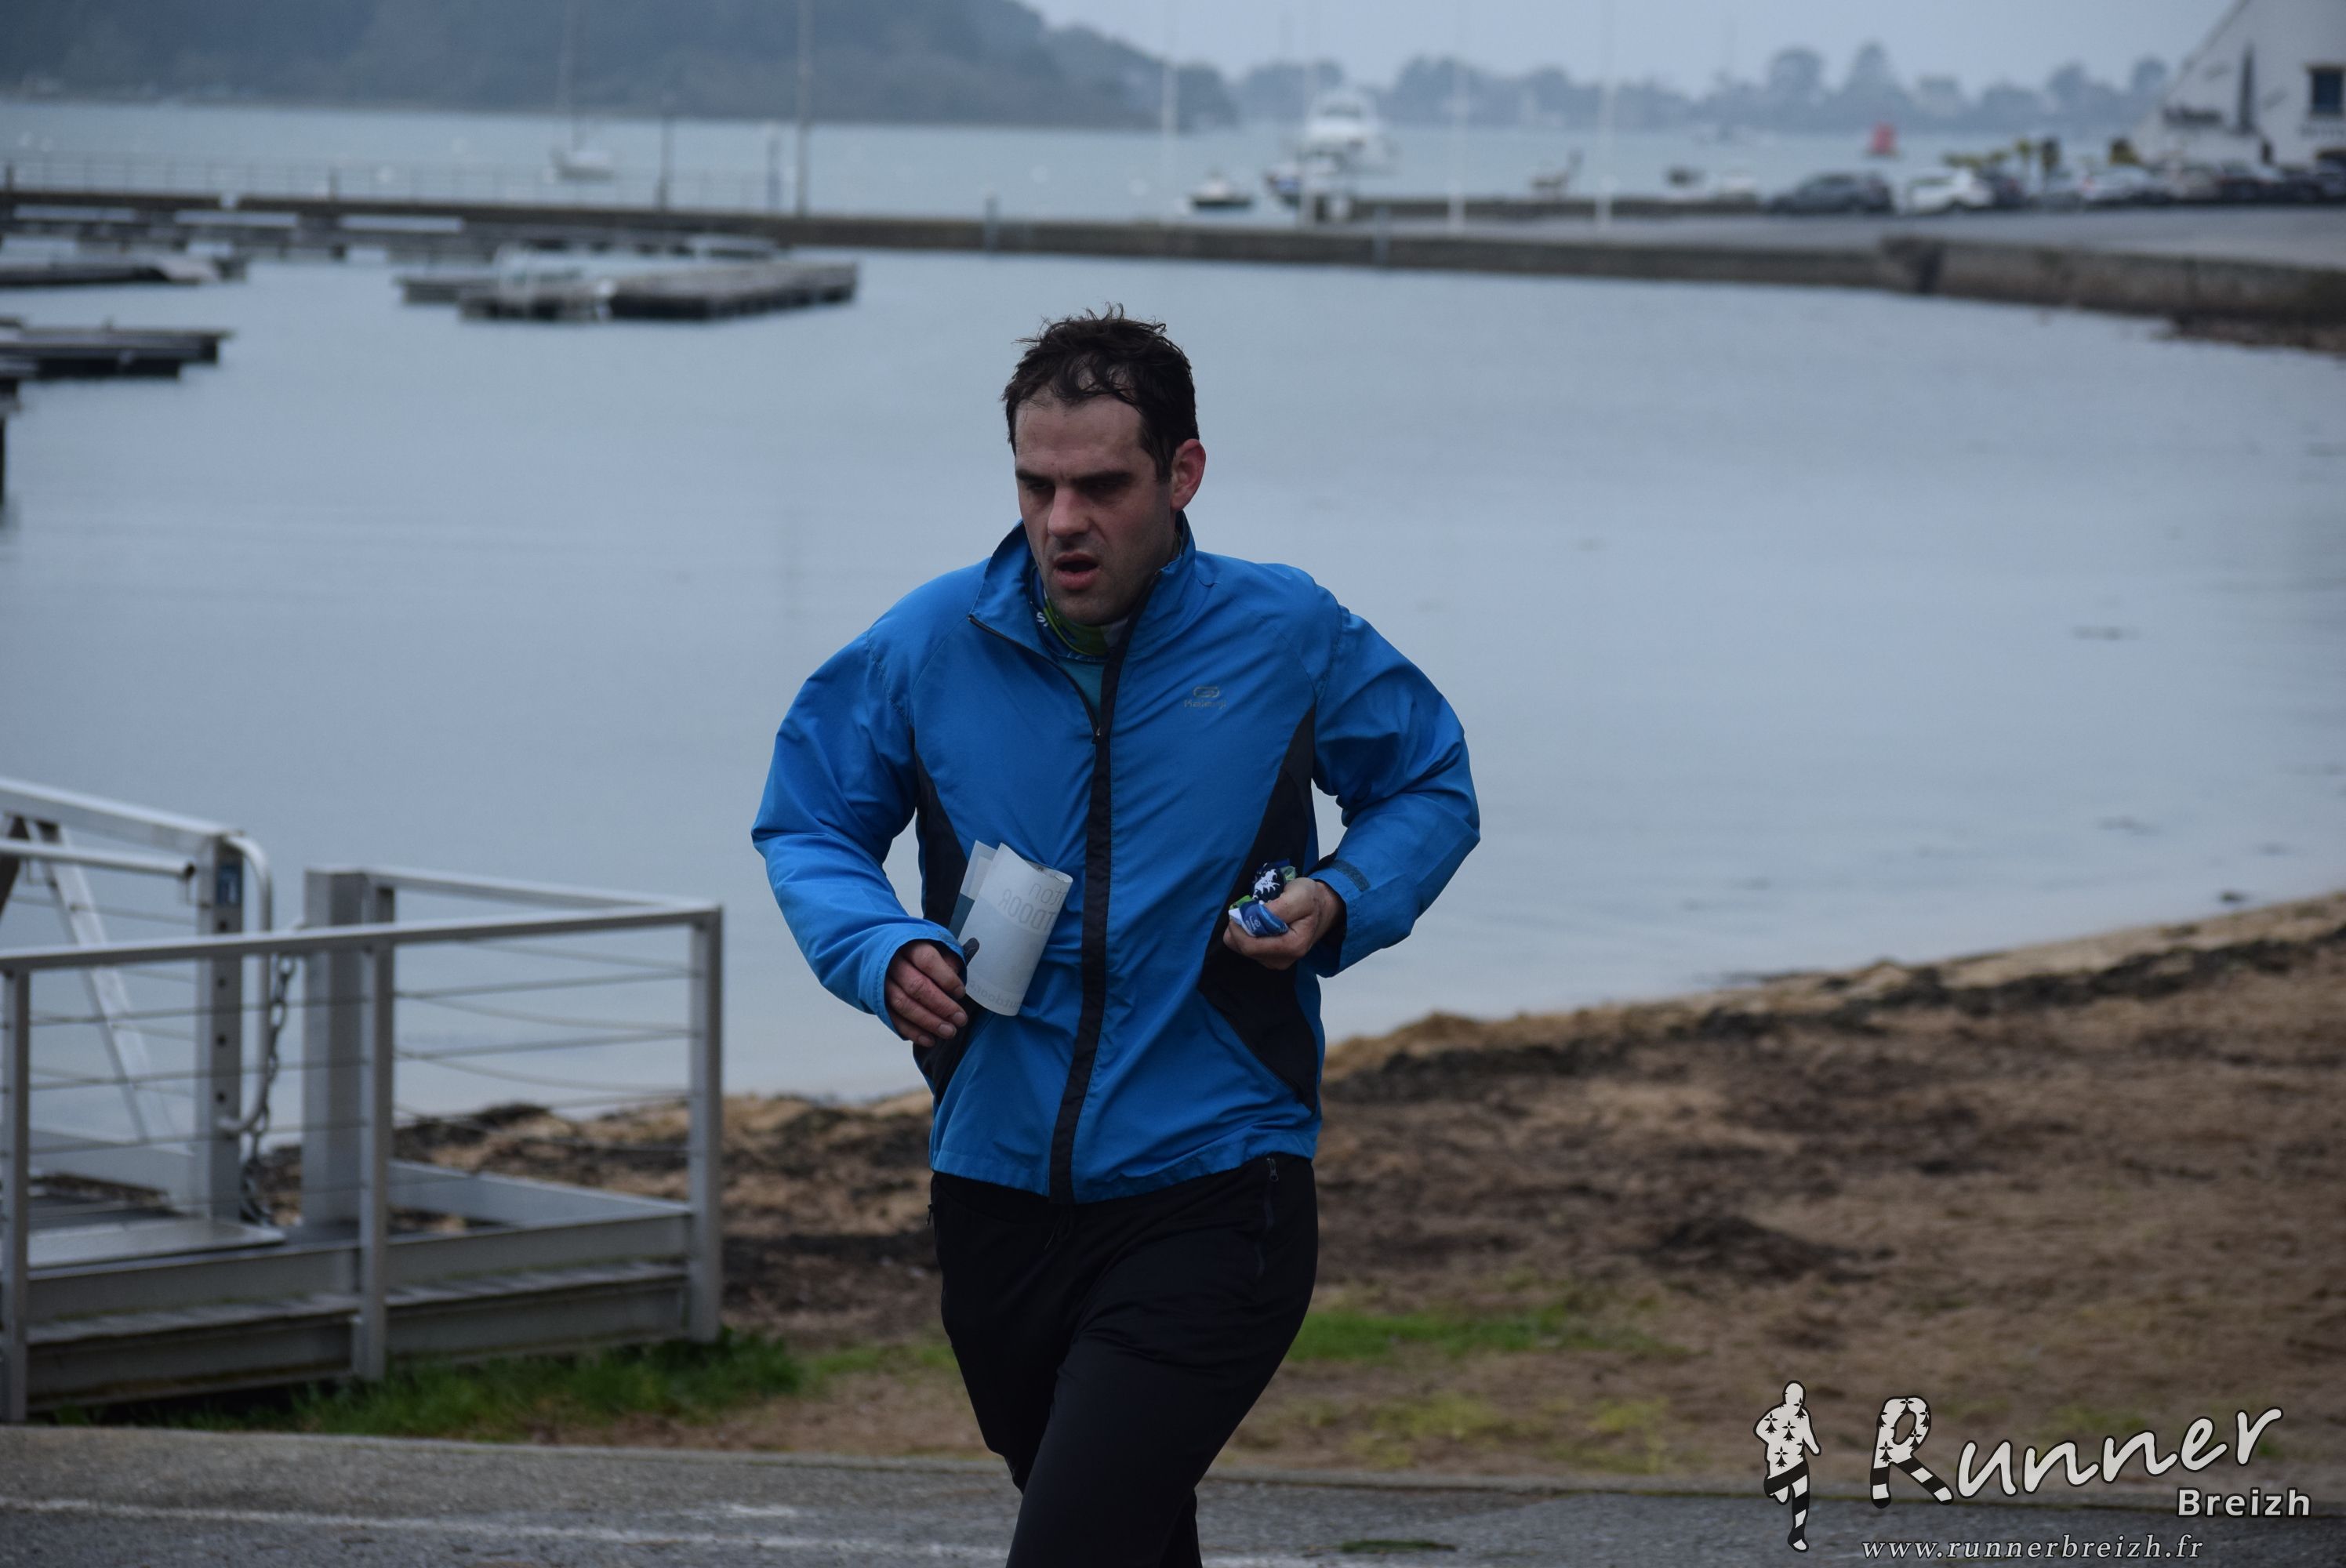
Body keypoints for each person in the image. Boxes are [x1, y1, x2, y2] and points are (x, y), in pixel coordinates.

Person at [750, 307, 1478, 1566]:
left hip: (1217, 1180)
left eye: (1100, 486)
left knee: (1075, 1543)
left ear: (1181, 474)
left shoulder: (1284, 633)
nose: (1062, 522)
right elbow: (809, 820)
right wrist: (878, 948)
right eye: (1035, 485)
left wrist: (1342, 895)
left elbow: (1428, 784)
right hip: (993, 1184)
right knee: (1123, 1533)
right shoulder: (930, 641)